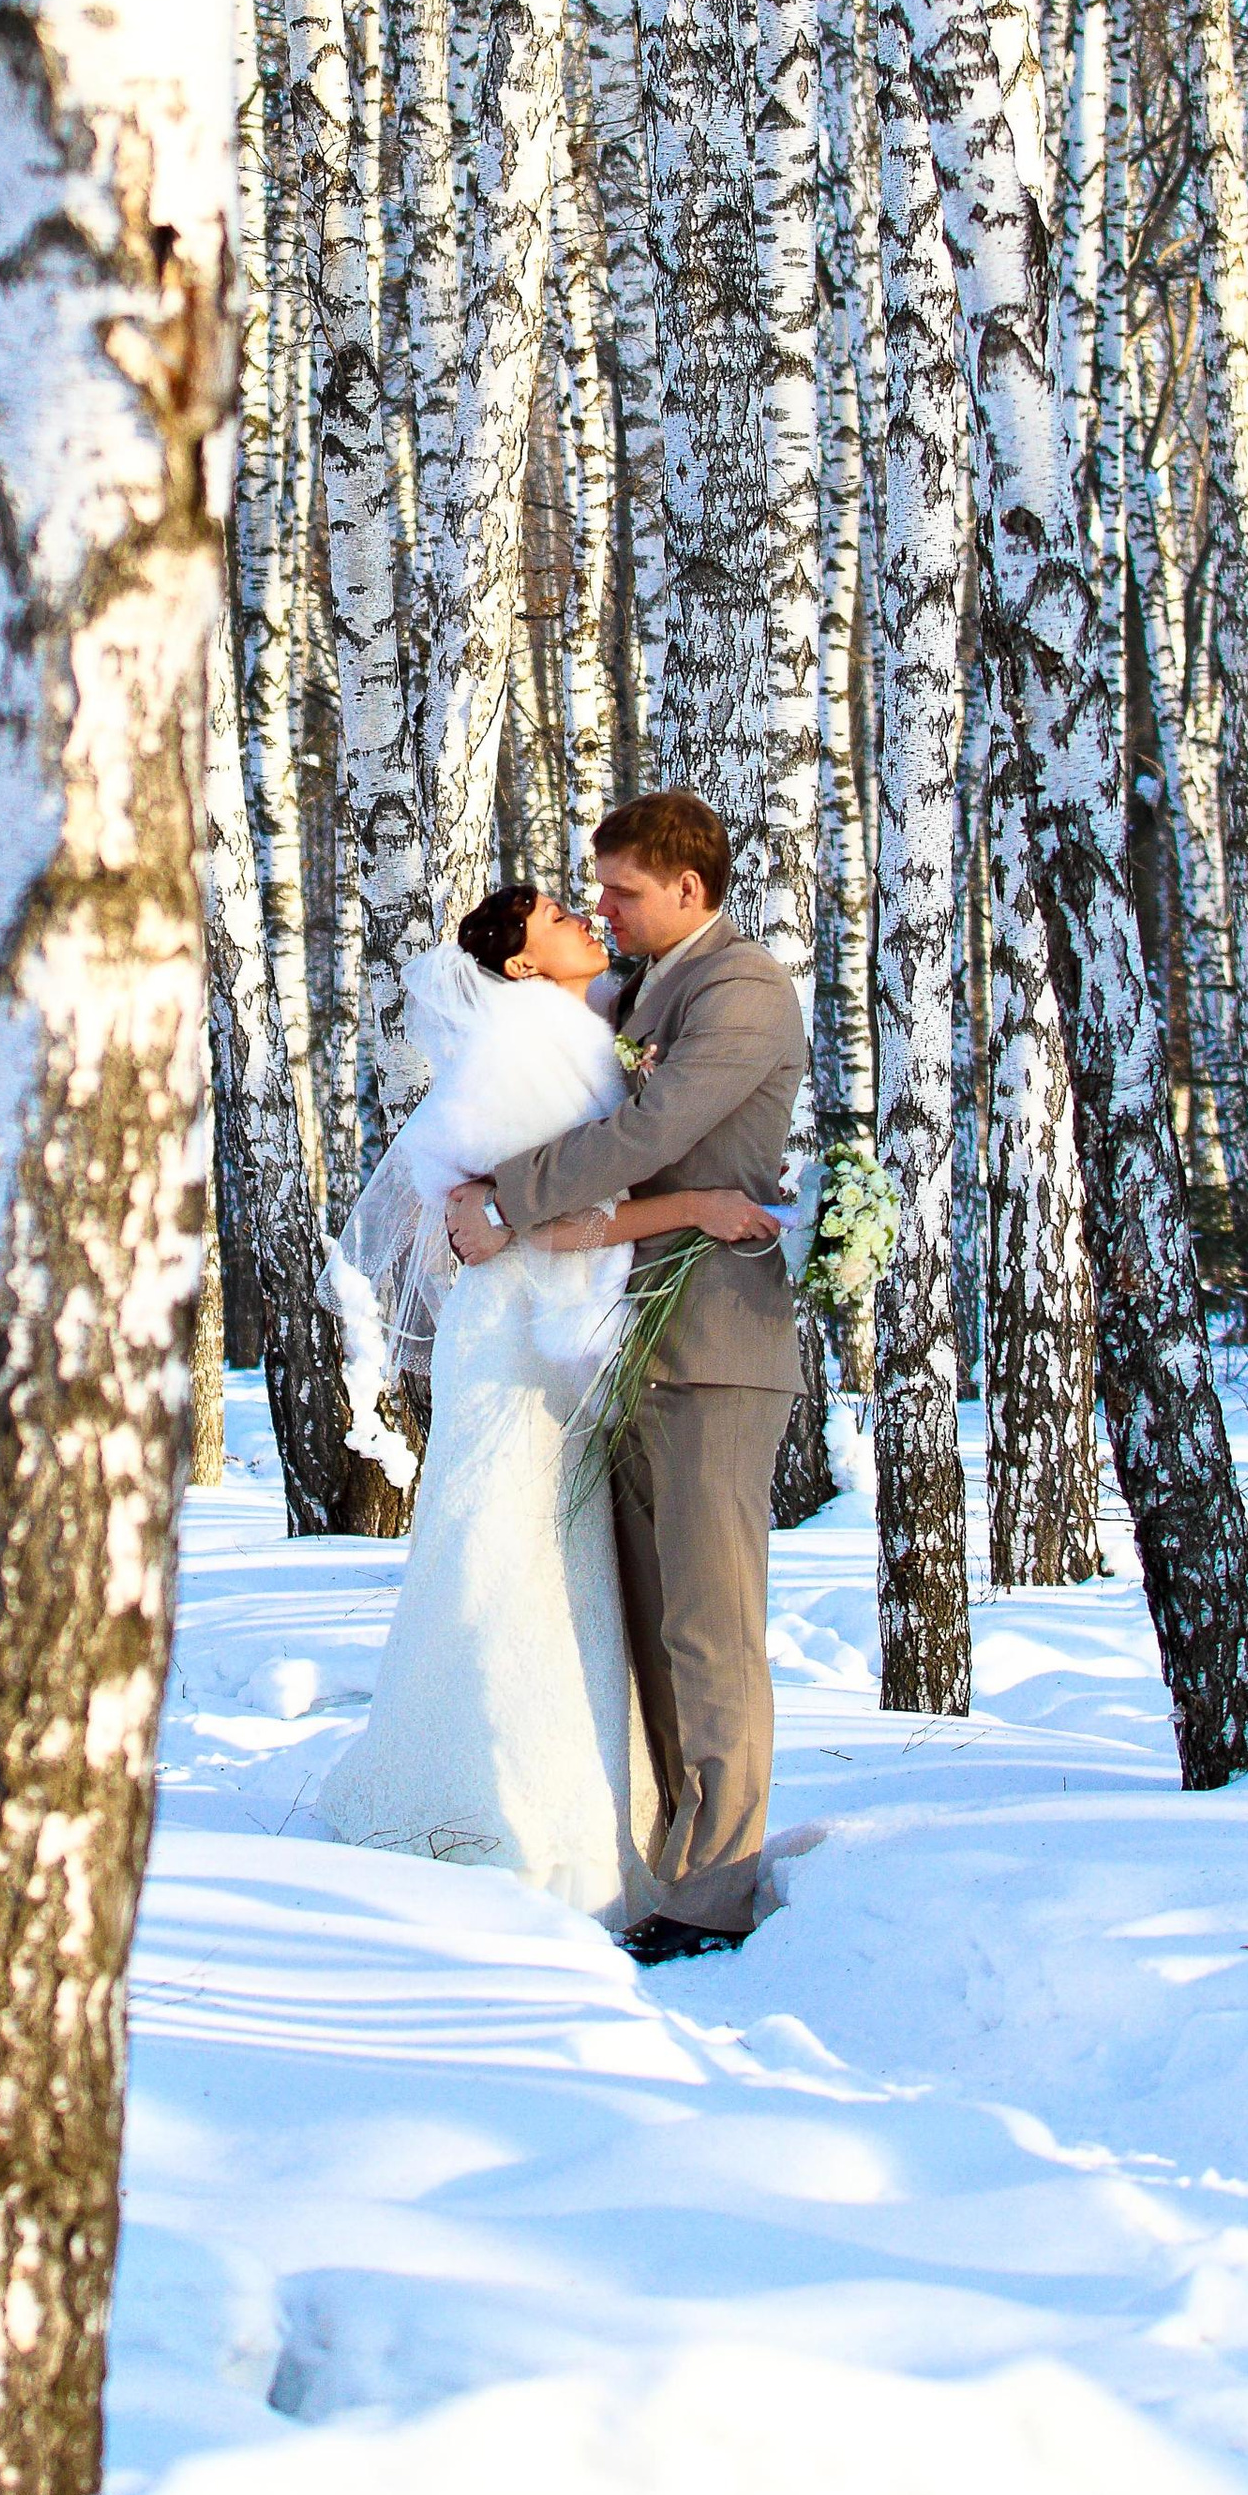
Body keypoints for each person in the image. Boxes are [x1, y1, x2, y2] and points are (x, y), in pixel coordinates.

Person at [314, 884, 777, 1925]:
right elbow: (540, 1223)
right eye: (558, 916)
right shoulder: (520, 1052)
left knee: (567, 1573)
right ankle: (488, 1809)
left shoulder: (586, 1027)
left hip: (558, 1344)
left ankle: (587, 1806)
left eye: (581, 903)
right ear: (519, 965)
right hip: (517, 1348)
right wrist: (699, 1207)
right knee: (505, 1555)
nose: (581, 917)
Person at [445, 791, 804, 1967]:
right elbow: (558, 1002)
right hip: (634, 1345)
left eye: (622, 891)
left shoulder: (738, 989)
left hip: (715, 1346)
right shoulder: (651, 983)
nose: (602, 907)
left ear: (689, 891)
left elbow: (647, 1131)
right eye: (595, 890)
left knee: (711, 1629)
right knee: (655, 1628)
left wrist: (504, 1198)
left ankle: (715, 1893)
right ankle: (670, 1861)